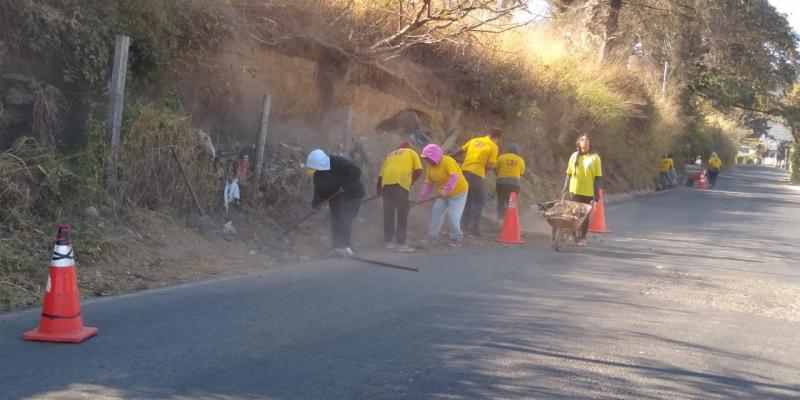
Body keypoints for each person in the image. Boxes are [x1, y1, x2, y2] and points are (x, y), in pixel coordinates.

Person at [306, 149, 365, 257]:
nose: (315, 171)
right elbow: (318, 190)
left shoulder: (337, 162)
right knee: (335, 221)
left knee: (344, 218)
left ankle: (346, 247)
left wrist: (344, 186)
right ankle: (337, 247)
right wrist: (316, 205)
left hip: (353, 195)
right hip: (336, 198)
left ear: (320, 163)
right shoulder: (317, 173)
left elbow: (356, 171)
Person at [450, 128, 501, 237]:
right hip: (476, 175)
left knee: (467, 201)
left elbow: (460, 150)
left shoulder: (474, 140)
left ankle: (462, 227)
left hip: (463, 173)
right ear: (496, 138)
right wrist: (484, 172)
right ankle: (473, 229)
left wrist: (449, 157)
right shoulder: (493, 146)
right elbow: (490, 165)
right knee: (478, 202)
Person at [417, 144, 469, 247]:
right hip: (443, 194)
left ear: (435, 156)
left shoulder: (447, 161)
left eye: (427, 157)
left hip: (458, 192)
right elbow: (428, 184)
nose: (426, 160)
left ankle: (457, 238)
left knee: (453, 215)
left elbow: (454, 176)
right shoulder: (430, 167)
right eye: (425, 158)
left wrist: (446, 190)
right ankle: (432, 236)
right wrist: (422, 198)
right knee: (436, 211)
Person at [377, 142, 423, 253]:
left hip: (386, 184)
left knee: (388, 213)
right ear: (408, 148)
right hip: (400, 183)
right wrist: (410, 182)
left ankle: (388, 242)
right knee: (402, 214)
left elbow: (381, 175)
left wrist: (379, 190)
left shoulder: (390, 155)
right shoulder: (411, 152)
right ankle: (400, 244)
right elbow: (419, 171)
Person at [561, 134, 602, 247]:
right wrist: (565, 188)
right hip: (574, 190)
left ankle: (583, 238)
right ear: (579, 143)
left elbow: (597, 177)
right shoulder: (574, 156)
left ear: (590, 143)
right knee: (574, 214)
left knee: (584, 216)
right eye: (583, 140)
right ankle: (573, 235)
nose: (585, 141)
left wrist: (596, 193)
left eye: (587, 139)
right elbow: (568, 174)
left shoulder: (595, 157)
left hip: (588, 192)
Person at [495, 144, 526, 220]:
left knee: (501, 200)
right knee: (511, 202)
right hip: (515, 184)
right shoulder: (521, 160)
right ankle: (509, 218)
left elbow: (495, 169)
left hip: (501, 183)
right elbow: (521, 173)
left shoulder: (501, 157)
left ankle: (500, 217)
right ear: (517, 151)